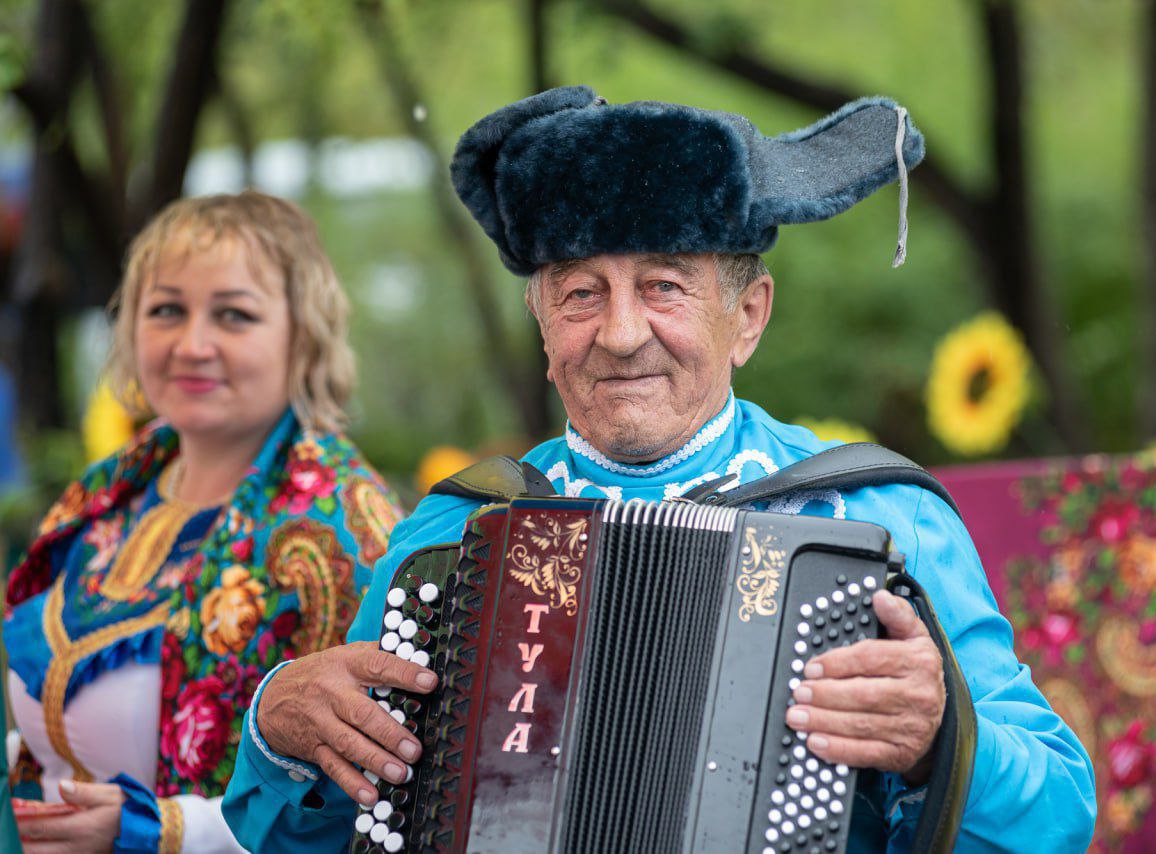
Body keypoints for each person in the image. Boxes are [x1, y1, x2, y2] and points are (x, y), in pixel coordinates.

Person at [224, 87, 1097, 851]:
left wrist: (944, 741)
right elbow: (307, 838)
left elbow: (1061, 814)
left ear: (747, 317)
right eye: (581, 293)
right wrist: (276, 730)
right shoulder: (456, 536)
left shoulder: (879, 517)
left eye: (664, 287)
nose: (620, 334)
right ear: (542, 324)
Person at [5, 191, 404, 853]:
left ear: (303, 335)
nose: (192, 345)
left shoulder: (345, 530)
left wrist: (161, 832)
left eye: (233, 315)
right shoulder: (108, 490)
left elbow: (359, 811)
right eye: (166, 309)